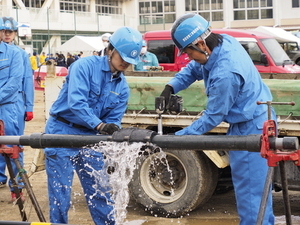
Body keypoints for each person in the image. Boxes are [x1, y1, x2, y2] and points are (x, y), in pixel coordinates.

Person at [159, 13, 276, 225]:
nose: (189, 57)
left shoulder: (226, 72)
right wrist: (171, 86)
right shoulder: (222, 42)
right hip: (257, 120)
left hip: (251, 130)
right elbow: (196, 67)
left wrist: (178, 137)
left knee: (251, 197)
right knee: (258, 195)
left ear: (201, 43)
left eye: (188, 52)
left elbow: (213, 116)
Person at [44, 26, 142, 225]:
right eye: (122, 57)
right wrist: (99, 125)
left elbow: (114, 119)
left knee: (100, 190)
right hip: (63, 131)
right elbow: (77, 102)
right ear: (110, 49)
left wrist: (111, 131)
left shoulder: (122, 88)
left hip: (91, 138)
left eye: (129, 60)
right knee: (60, 194)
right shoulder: (84, 66)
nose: (125, 63)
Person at [0, 18, 25, 196]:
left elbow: (15, 82)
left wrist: (29, 106)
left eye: (9, 31)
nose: (6, 34)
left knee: (13, 146)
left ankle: (17, 187)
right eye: (3, 31)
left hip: (8, 107)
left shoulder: (15, 53)